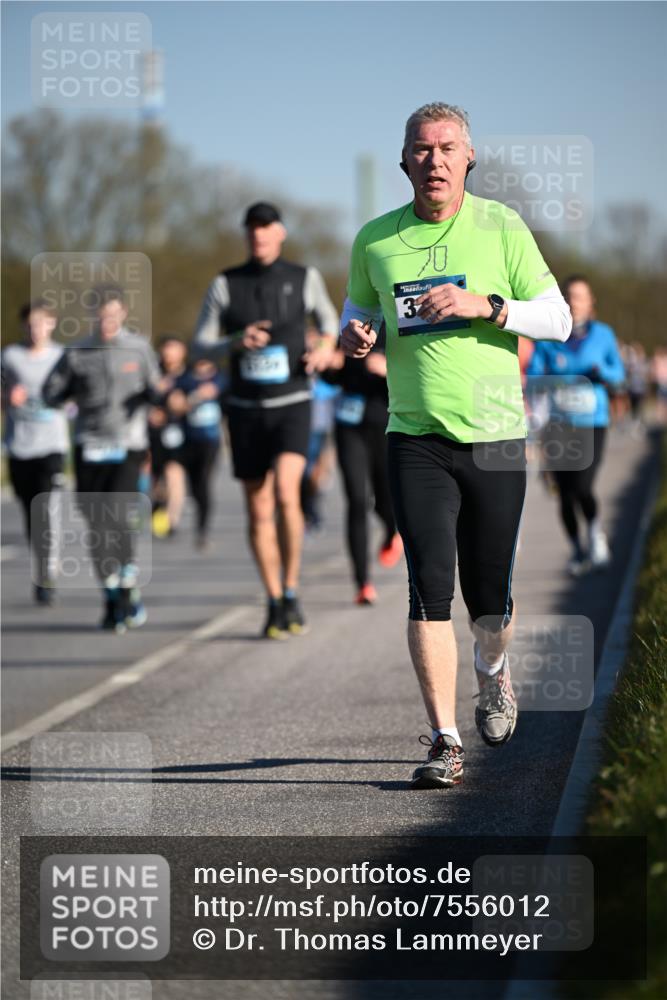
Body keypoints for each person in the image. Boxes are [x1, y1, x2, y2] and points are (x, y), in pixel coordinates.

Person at [340, 103, 572, 789]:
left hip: (496, 438)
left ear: (468, 158)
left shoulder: (501, 226)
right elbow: (360, 312)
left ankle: (493, 674)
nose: (434, 159)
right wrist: (356, 337)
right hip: (414, 438)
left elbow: (556, 318)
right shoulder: (375, 240)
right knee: (426, 592)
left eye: (447, 148)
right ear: (405, 161)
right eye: (421, 148)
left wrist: (489, 307)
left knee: (489, 600)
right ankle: (444, 741)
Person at [193, 202, 339, 638]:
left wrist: (325, 346)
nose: (258, 236)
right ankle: (274, 598)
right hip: (244, 409)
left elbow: (330, 320)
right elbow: (200, 343)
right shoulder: (225, 283)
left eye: (266, 229)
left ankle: (292, 586)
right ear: (246, 236)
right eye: (252, 230)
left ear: (281, 233)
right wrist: (236, 342)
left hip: (292, 401)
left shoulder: (304, 277)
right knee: (258, 508)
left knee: (287, 495)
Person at [43, 286, 160, 632]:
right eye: (100, 314)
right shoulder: (77, 351)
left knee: (118, 513)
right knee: (96, 523)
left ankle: (127, 578)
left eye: (112, 314)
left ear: (123, 313)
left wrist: (153, 397)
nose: (106, 321)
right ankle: (111, 594)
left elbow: (156, 388)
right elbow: (53, 391)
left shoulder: (138, 349)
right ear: (92, 315)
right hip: (89, 443)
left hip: (128, 442)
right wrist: (59, 395)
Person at [526, 275, 625, 577]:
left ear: (591, 301)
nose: (574, 302)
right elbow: (533, 376)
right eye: (569, 296)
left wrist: (600, 372)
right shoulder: (549, 336)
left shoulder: (603, 335)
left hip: (592, 422)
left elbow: (618, 374)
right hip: (558, 425)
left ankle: (595, 533)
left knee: (582, 485)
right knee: (565, 493)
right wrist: (564, 378)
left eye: (580, 296)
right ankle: (577, 550)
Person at [322, 324, 402, 604]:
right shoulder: (348, 325)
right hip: (349, 427)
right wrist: (328, 366)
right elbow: (332, 376)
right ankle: (362, 583)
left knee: (385, 500)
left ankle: (392, 530)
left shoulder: (396, 322)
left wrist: (388, 369)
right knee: (356, 500)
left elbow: (422, 372)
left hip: (385, 424)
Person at [1, 300, 69, 604]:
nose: (35, 329)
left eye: (41, 323)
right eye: (30, 324)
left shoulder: (63, 357)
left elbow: (78, 396)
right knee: (31, 513)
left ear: (52, 324)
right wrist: (5, 396)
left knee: (47, 510)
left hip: (52, 445)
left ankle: (47, 572)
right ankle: (41, 565)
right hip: (19, 445)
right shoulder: (9, 357)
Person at [148, 335, 190, 539]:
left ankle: (173, 519)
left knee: (175, 474)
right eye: (166, 350)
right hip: (154, 434)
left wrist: (181, 405)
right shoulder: (153, 374)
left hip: (179, 433)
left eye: (174, 350)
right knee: (156, 479)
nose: (169, 355)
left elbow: (194, 401)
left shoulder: (187, 376)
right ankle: (158, 509)